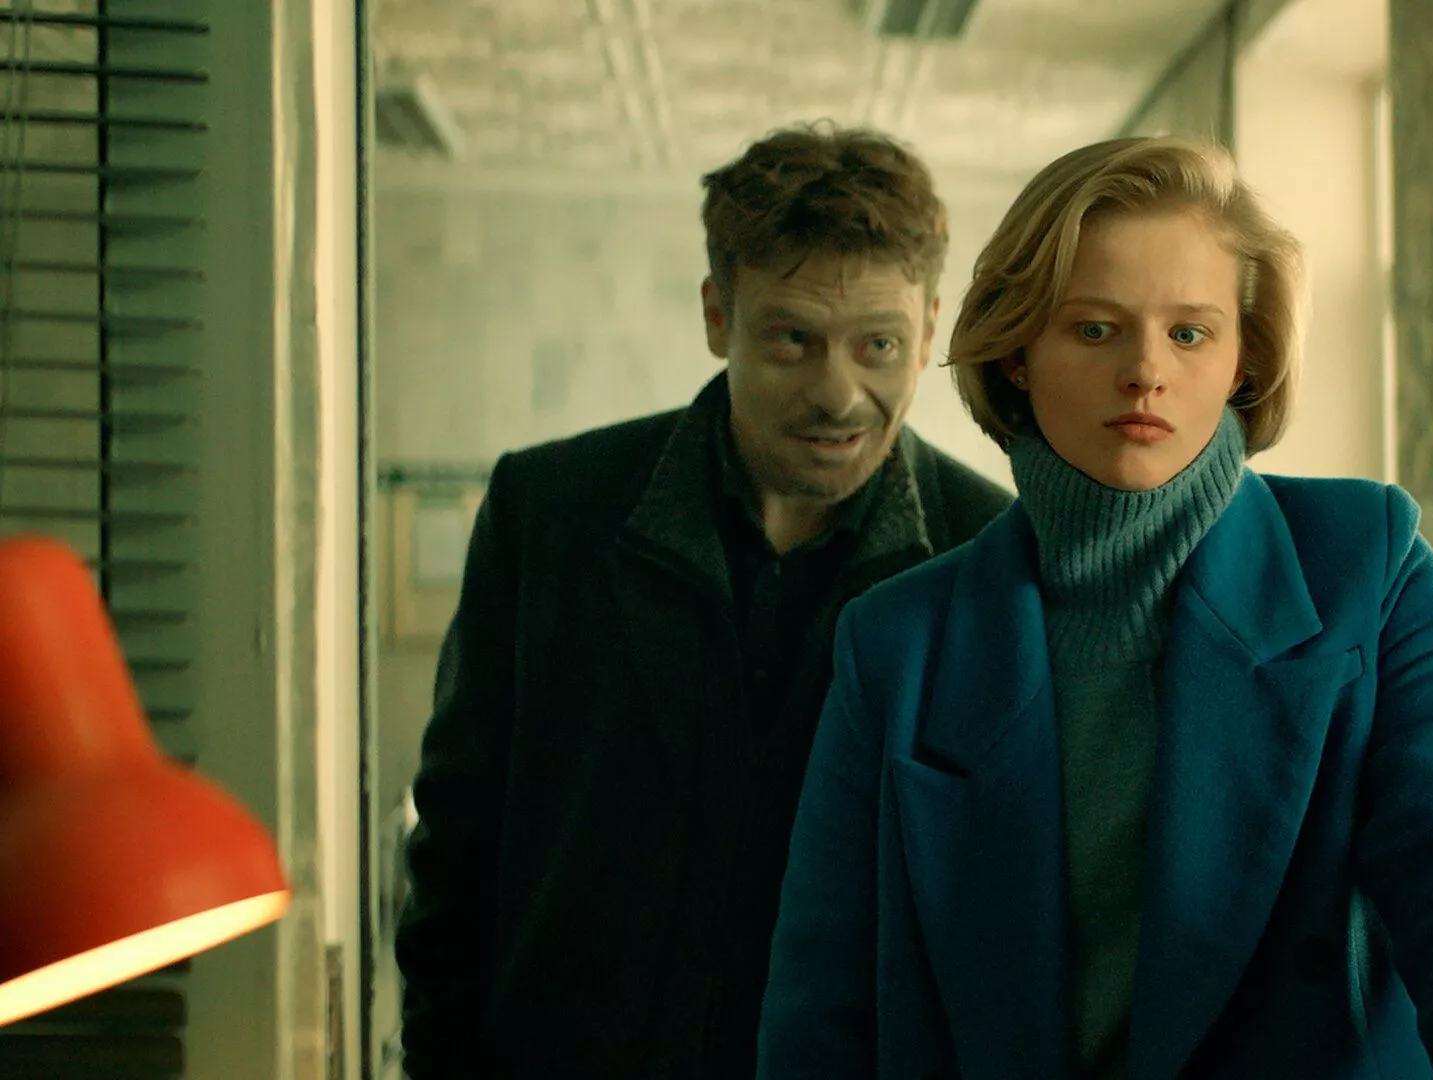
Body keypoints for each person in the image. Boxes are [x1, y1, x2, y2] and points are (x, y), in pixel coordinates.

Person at [755, 136, 1433, 1079]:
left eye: (1190, 333)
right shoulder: (897, 641)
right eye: (1095, 329)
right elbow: (822, 1012)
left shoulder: (1366, 567)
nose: (1144, 371)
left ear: (1245, 358)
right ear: (1017, 356)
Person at [393, 122, 1014, 1079]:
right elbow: (456, 846)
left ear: (929, 331)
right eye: (792, 339)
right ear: (718, 317)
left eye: (878, 345)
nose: (838, 393)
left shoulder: (988, 559)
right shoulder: (550, 514)